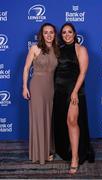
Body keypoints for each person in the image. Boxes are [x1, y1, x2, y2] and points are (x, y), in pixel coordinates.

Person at [53, 23, 95, 174]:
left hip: (74, 91)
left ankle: (75, 158)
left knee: (72, 121)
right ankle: (66, 150)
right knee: (61, 123)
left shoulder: (81, 49)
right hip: (59, 92)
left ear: (75, 33)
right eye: (64, 32)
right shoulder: (59, 50)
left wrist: (75, 91)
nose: (66, 35)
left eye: (69, 32)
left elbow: (83, 73)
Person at [22, 23, 58, 164]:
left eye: (51, 32)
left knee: (48, 118)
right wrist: (25, 87)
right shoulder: (34, 48)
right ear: (41, 35)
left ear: (55, 34)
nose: (48, 35)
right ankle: (38, 152)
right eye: (45, 32)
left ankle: (47, 149)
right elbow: (26, 68)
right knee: (38, 118)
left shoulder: (57, 50)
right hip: (36, 86)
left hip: (51, 88)